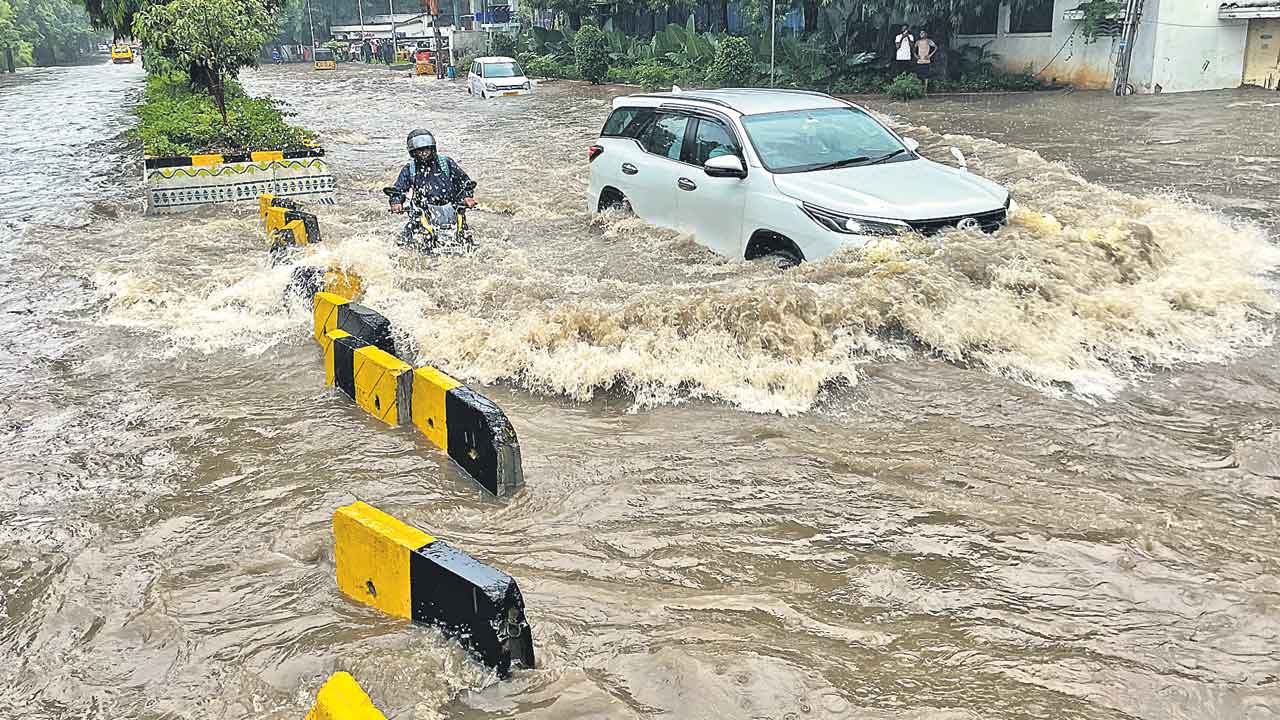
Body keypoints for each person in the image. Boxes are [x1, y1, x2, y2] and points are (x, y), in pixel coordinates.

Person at [389, 128, 477, 216]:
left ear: (432, 148)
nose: (424, 153)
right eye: (420, 150)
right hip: (422, 213)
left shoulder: (446, 163)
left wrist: (467, 196)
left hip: (452, 210)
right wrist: (396, 202)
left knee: (463, 224)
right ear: (413, 152)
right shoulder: (410, 169)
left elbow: (465, 182)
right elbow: (398, 190)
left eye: (426, 149)